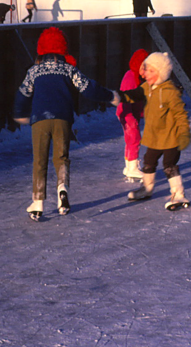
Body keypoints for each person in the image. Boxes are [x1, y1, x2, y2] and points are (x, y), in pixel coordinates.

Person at [12, 27, 119, 220]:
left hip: (40, 119)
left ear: (41, 50)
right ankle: (62, 190)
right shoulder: (69, 69)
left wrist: (20, 113)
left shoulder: (34, 71)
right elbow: (89, 88)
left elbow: (23, 94)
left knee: (40, 160)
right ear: (63, 50)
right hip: (62, 118)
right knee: (61, 157)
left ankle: (38, 203)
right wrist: (110, 95)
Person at [118, 52, 191, 210]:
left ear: (161, 73)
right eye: (146, 70)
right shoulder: (147, 87)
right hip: (155, 137)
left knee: (169, 165)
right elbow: (134, 94)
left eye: (152, 71)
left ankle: (178, 194)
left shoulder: (169, 91)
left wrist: (184, 132)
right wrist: (117, 96)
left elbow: (180, 113)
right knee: (149, 162)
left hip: (172, 137)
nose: (146, 74)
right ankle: (147, 188)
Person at [117, 48, 148, 181]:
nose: (145, 72)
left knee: (130, 139)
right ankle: (132, 167)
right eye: (143, 67)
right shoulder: (130, 77)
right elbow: (126, 97)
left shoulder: (138, 78)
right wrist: (129, 117)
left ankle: (128, 166)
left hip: (132, 113)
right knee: (134, 138)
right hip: (127, 112)